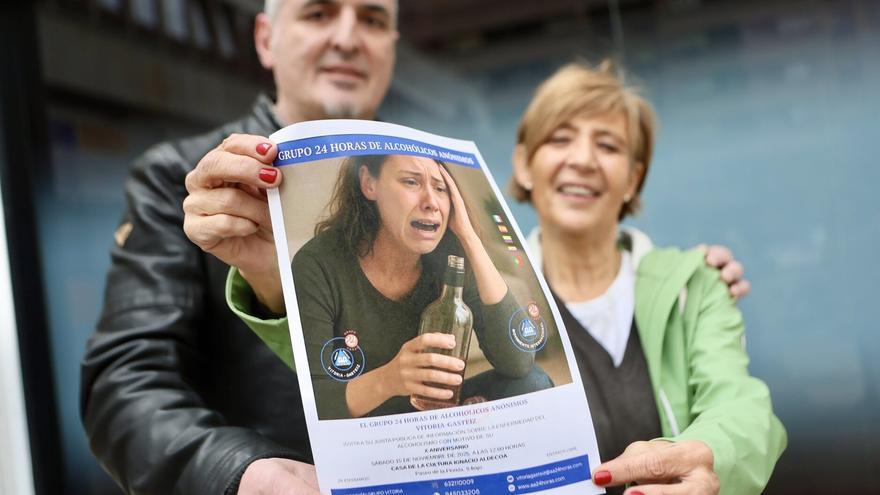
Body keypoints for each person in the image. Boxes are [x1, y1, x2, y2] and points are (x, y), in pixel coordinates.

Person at [80, 0, 751, 493]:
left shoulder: (426, 193)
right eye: (319, 13)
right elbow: (123, 381)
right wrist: (245, 472)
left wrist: (681, 276)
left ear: (394, 45)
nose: (348, 37)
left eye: (372, 19)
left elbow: (518, 353)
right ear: (266, 37)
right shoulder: (187, 177)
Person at [506, 62, 786, 494]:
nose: (582, 160)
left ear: (633, 180)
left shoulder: (694, 285)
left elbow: (741, 406)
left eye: (608, 146)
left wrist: (709, 455)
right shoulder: (491, 298)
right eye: (560, 139)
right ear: (524, 165)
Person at [257, 154, 548, 419]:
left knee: (533, 383)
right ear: (369, 184)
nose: (431, 201)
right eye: (411, 181)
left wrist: (469, 236)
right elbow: (314, 403)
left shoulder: (451, 256)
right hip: (368, 432)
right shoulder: (317, 264)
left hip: (437, 417)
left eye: (441, 188)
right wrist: (391, 379)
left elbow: (519, 363)